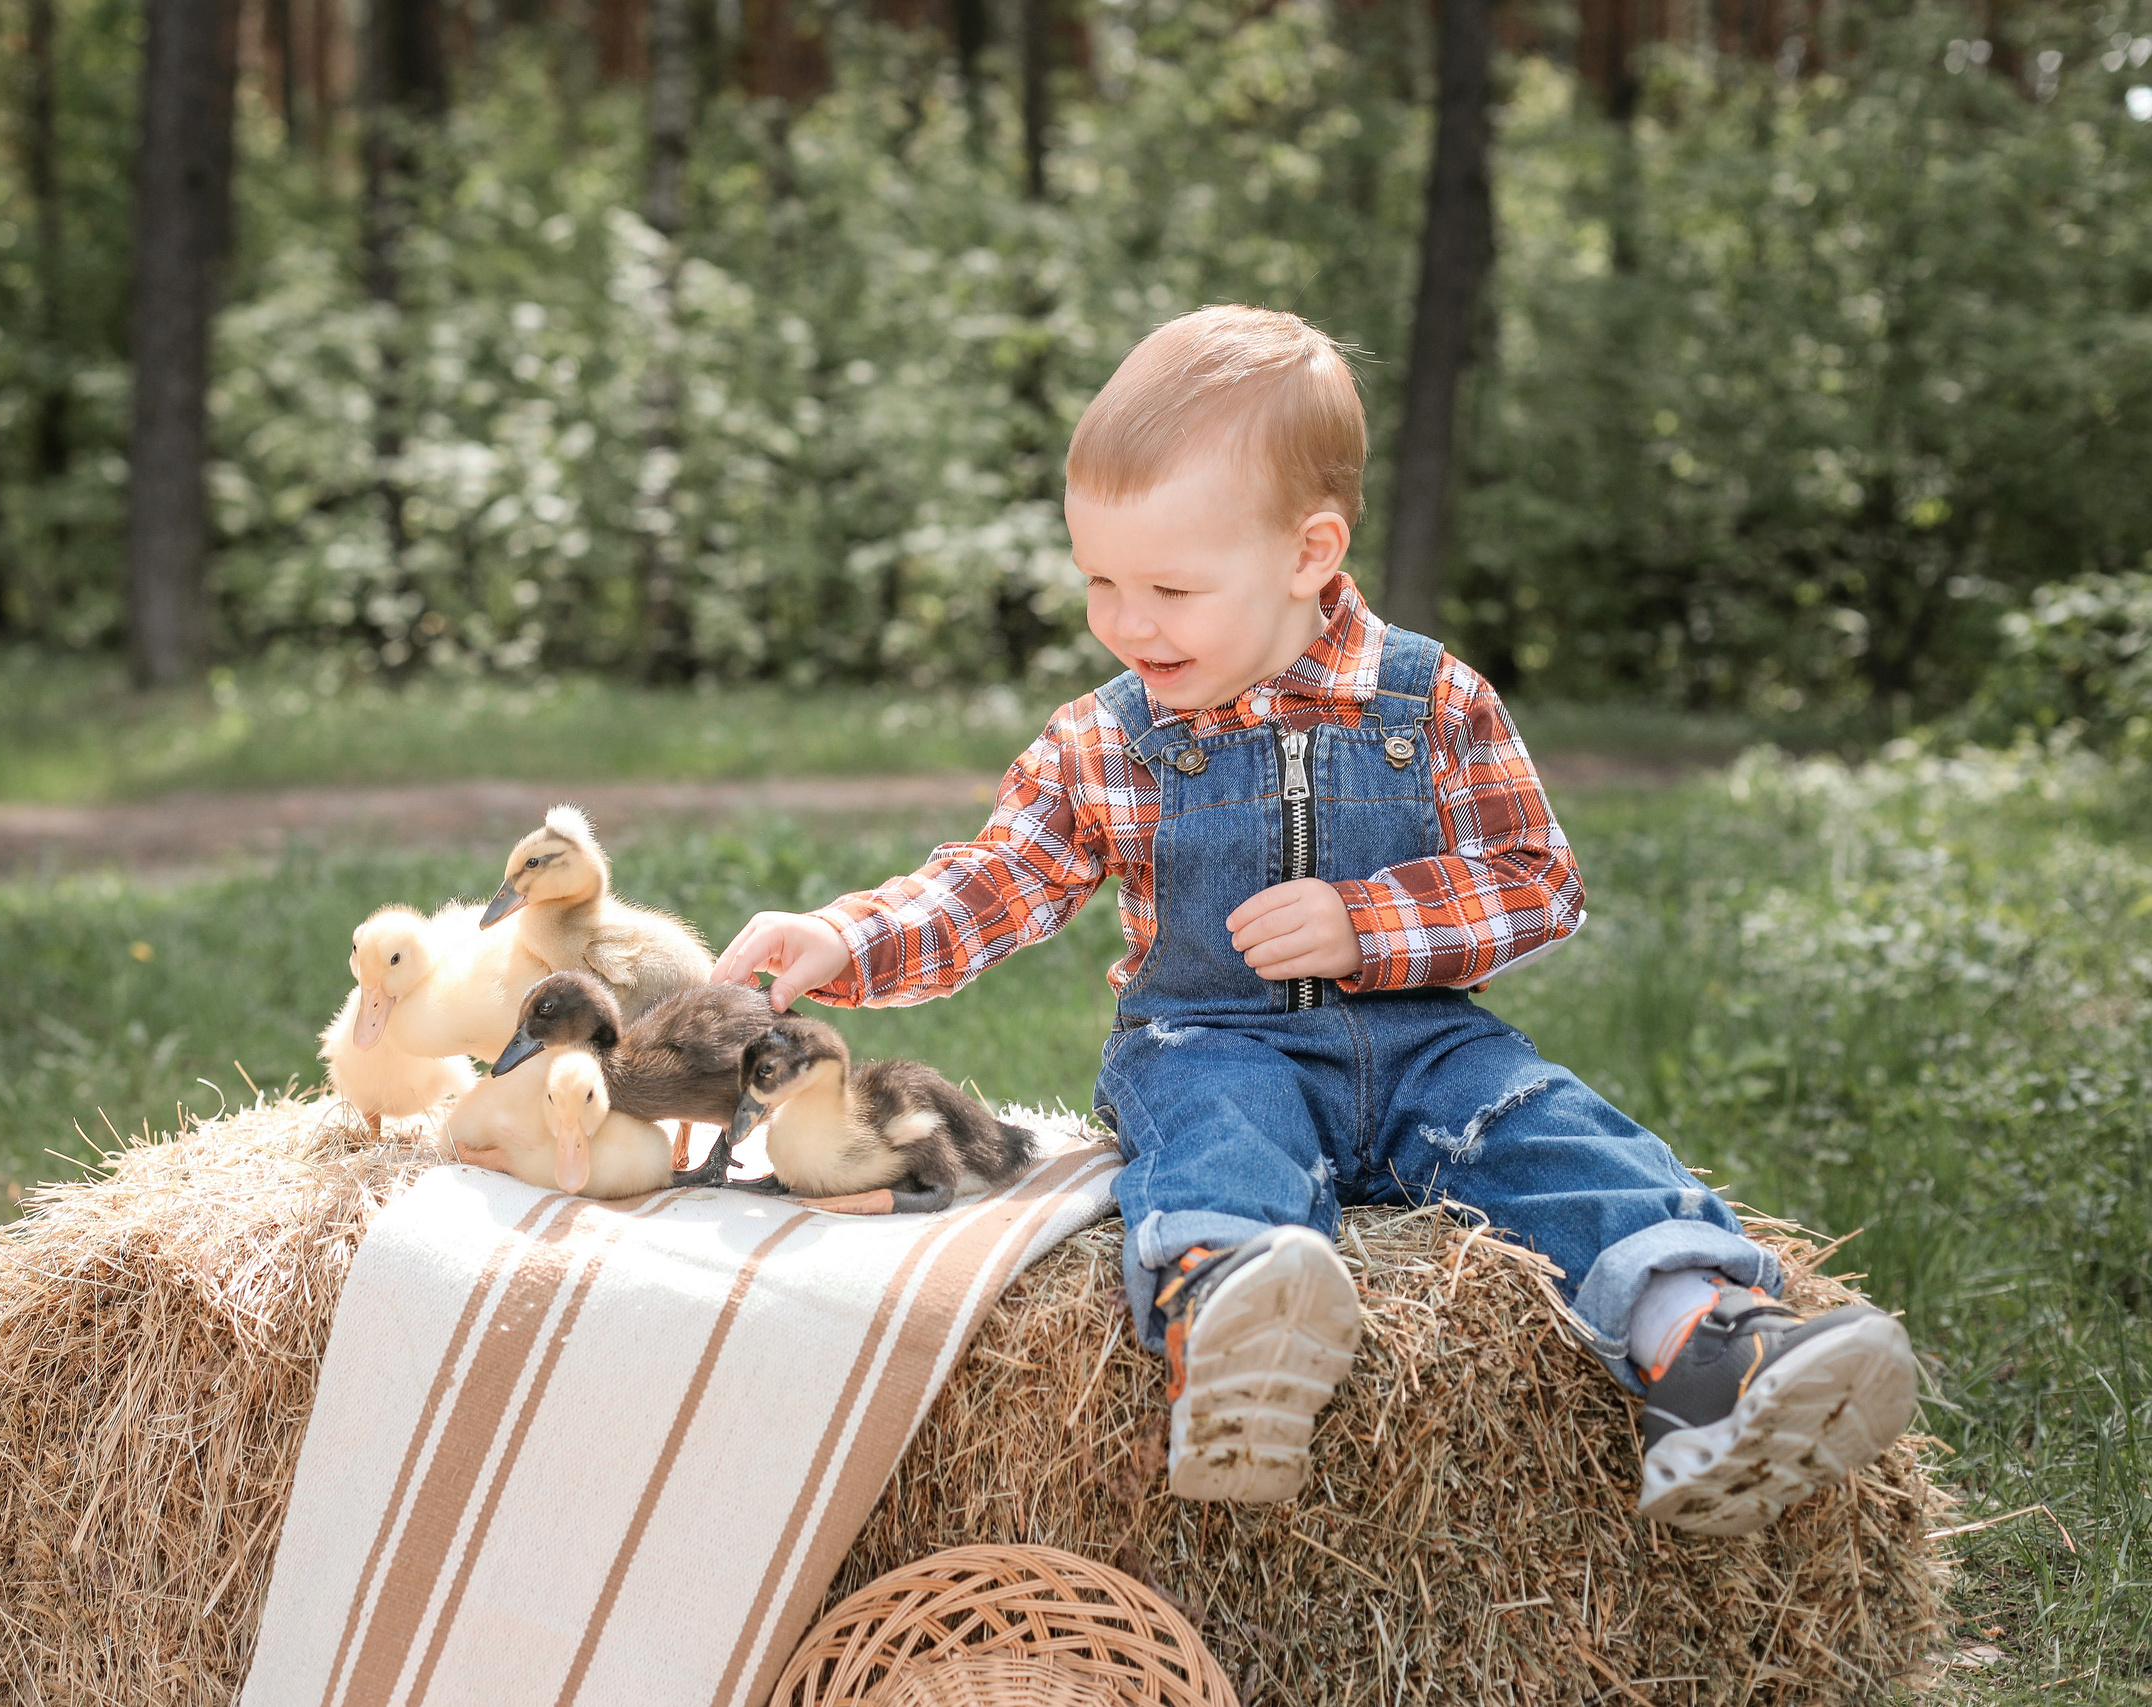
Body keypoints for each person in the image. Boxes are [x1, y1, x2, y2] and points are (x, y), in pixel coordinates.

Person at [709, 304, 1919, 1536]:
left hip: (1427, 1046)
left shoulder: (1431, 702)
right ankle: (1236, 1323)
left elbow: (1535, 877)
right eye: (1098, 582)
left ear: (1309, 553)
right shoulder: (1107, 740)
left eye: (1169, 588)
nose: (1126, 623)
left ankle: (1706, 1349)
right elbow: (994, 879)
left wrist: (1370, 921)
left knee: (1559, 1140)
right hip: (1209, 1040)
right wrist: (848, 938)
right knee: (1219, 1140)